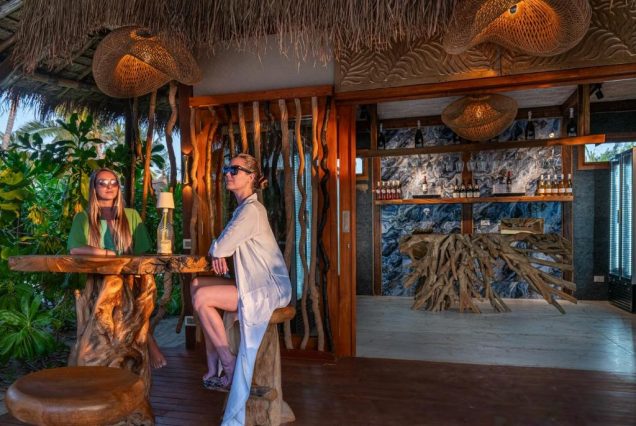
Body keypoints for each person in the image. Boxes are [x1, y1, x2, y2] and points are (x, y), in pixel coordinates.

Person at [191, 153, 292, 426]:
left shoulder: (252, 211)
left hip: (268, 287)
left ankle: (228, 364)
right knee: (197, 284)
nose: (228, 173)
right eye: (227, 168)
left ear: (251, 177)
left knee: (202, 297)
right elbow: (222, 245)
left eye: (235, 170)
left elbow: (222, 246)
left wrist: (220, 249)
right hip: (253, 283)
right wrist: (219, 249)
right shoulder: (243, 210)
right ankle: (213, 364)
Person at [67, 167, 167, 369]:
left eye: (113, 182)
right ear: (94, 188)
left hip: (129, 277)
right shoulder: (83, 218)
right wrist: (107, 253)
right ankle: (150, 343)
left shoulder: (131, 215)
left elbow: (141, 253)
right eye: (102, 183)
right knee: (114, 284)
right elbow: (75, 249)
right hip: (98, 280)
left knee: (130, 293)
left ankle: (141, 346)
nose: (109, 187)